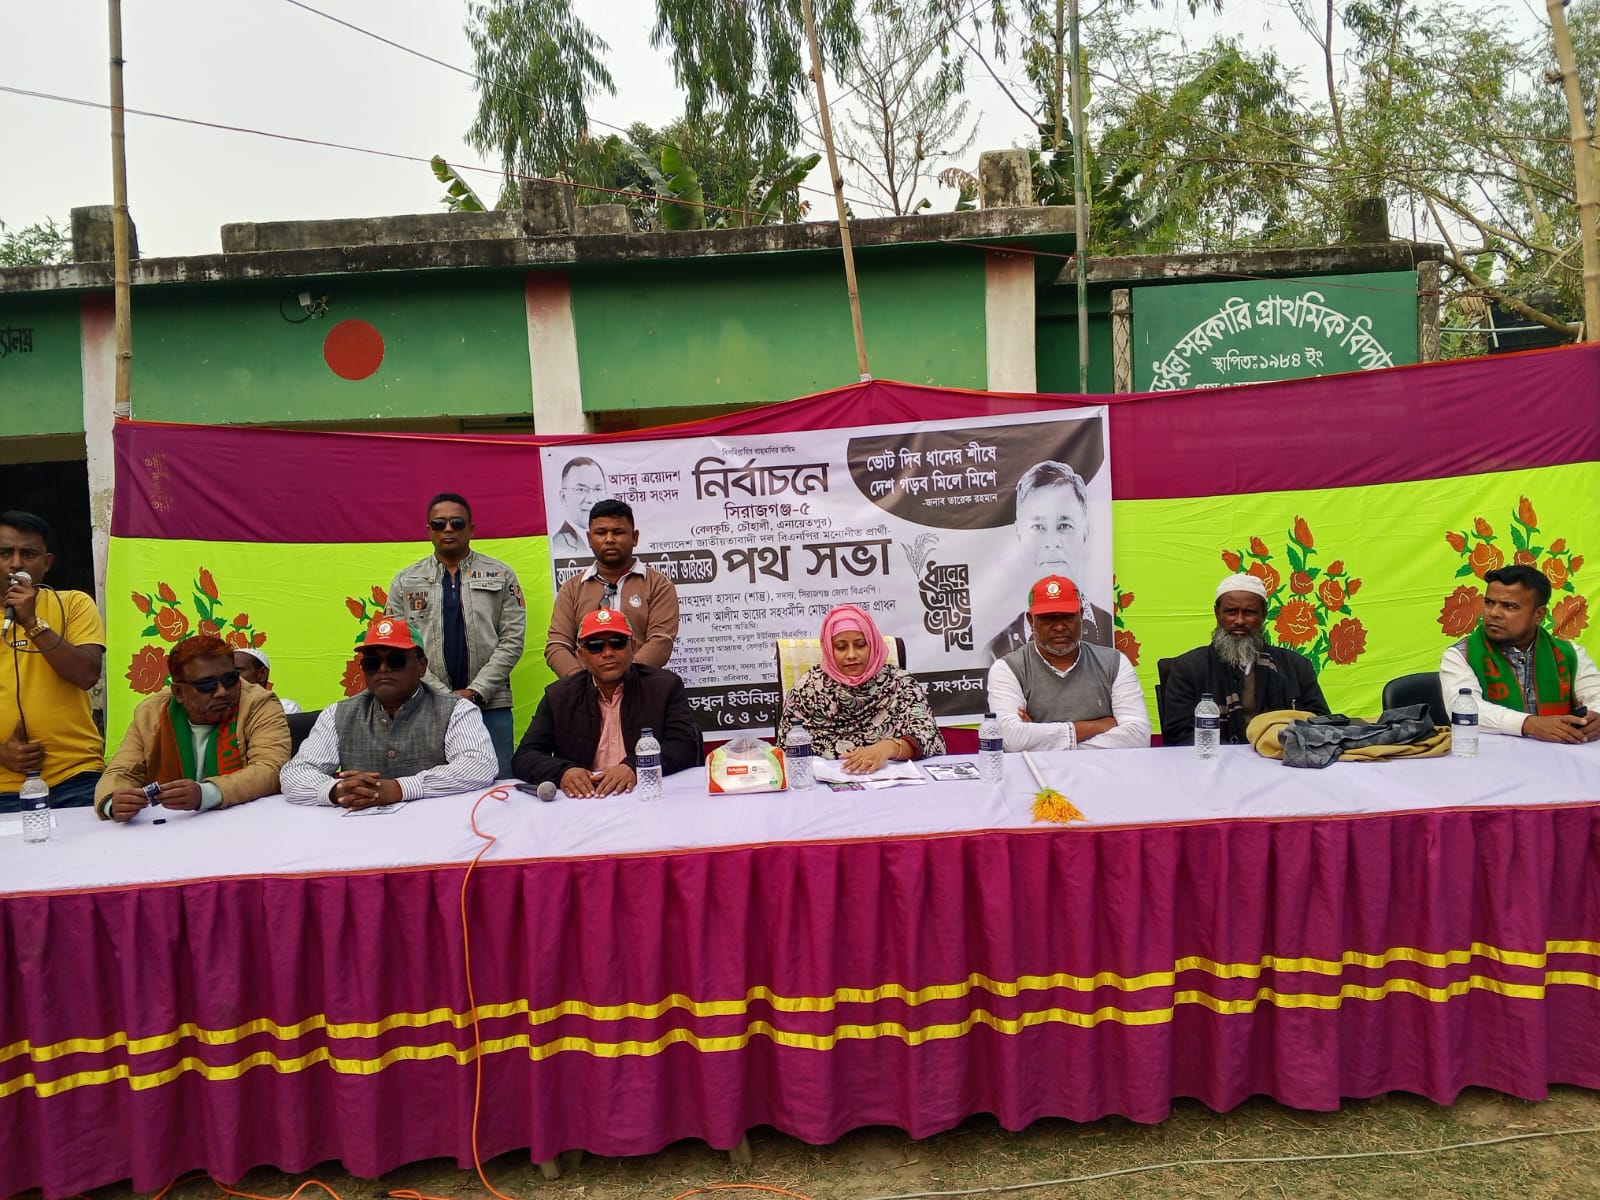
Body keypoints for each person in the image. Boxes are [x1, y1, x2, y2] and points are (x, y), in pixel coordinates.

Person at [280, 616, 498, 807]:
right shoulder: (337, 714)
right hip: (359, 832)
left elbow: (480, 765)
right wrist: (336, 791)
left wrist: (401, 788)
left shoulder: (455, 709)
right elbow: (295, 773)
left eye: (395, 661)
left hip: (437, 826)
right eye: (372, 663)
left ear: (422, 666)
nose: (383, 669)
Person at [387, 492, 526, 777]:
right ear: (429, 530)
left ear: (471, 529)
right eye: (439, 524)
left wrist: (476, 692)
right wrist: (442, 696)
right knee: (431, 786)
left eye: (457, 523)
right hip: (426, 707)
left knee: (498, 786)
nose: (447, 529)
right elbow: (401, 648)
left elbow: (512, 641)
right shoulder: (405, 581)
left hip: (490, 704)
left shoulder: (501, 575)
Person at [95, 634, 291, 821]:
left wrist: (206, 794)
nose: (222, 692)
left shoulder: (259, 703)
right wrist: (113, 803)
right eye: (206, 685)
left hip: (247, 822)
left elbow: (271, 768)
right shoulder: (150, 713)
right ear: (179, 692)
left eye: (230, 679)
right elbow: (120, 771)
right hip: (171, 827)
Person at [515, 608, 701, 796]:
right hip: (584, 799)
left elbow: (685, 746)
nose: (608, 653)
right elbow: (525, 756)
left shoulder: (664, 687)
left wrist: (635, 766)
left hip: (645, 793)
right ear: (581, 655)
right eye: (595, 646)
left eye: (617, 643)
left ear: (633, 647)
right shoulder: (559, 696)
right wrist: (563, 772)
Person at [0, 510, 106, 812]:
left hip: (76, 776)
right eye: (5, 553)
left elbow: (86, 675)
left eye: (28, 554)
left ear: (46, 563)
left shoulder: (73, 603)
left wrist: (32, 622)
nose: (16, 563)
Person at [1161, 572, 1331, 745]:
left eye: (1249, 612)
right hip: (1216, 759)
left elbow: (1322, 724)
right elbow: (1179, 733)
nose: (1240, 621)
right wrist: (1234, 756)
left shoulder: (1297, 667)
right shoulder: (1188, 668)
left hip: (1280, 756)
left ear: (1263, 615)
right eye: (1231, 612)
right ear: (1217, 613)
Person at [986, 574, 1150, 751]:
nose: (1059, 626)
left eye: (1067, 617)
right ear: (1031, 621)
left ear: (1081, 616)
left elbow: (1138, 736)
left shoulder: (1114, 663)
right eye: (1048, 618)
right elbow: (1011, 739)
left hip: (1104, 768)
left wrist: (1041, 740)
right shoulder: (1008, 669)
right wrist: (1097, 726)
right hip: (1033, 768)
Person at [1439, 564, 1600, 743]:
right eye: (1489, 603)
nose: (1494, 613)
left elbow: (1596, 695)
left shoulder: (1571, 654)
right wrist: (1529, 724)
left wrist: (1596, 718)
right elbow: (1464, 709)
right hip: (1490, 755)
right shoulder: (1460, 655)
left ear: (1538, 614)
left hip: (1559, 755)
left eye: (1509, 606)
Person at [776, 604, 945, 773]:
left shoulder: (900, 684)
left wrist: (888, 748)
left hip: (890, 781)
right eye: (841, 647)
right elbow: (785, 748)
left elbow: (931, 738)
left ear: (873, 644)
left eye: (860, 644)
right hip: (823, 784)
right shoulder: (808, 689)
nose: (851, 655)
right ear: (828, 649)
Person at [987, 461, 1113, 658]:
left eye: (1064, 525)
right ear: (1019, 534)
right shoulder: (995, 650)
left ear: (1085, 531)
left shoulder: (1109, 627)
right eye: (1038, 527)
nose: (1052, 543)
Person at [545, 498, 679, 677]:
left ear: (635, 537)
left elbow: (661, 641)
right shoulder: (572, 589)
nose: (609, 539)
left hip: (640, 686)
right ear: (589, 539)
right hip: (585, 689)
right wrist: (582, 683)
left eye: (618, 532)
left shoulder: (657, 585)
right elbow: (557, 645)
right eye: (601, 533)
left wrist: (625, 680)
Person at [550, 457, 608, 559]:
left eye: (597, 489)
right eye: (581, 489)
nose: (591, 499)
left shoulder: (614, 541)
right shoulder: (557, 546)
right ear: (563, 497)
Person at [232, 647, 302, 714]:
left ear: (262, 673)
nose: (230, 677)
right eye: (227, 673)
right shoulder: (228, 711)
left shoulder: (285, 708)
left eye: (237, 670)